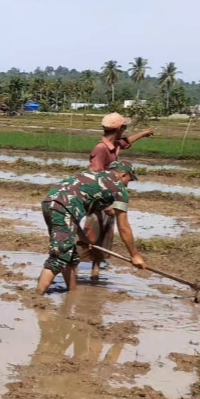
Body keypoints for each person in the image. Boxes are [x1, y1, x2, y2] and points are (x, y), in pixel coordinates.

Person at [36, 161, 147, 295]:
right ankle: (36, 298)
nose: (128, 184)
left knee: (70, 253)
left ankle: (72, 292)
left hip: (50, 203)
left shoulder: (92, 175)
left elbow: (73, 209)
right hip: (64, 208)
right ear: (123, 175)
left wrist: (84, 238)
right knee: (59, 256)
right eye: (129, 180)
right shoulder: (119, 189)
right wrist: (135, 255)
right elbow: (123, 227)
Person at [83, 113, 152, 281]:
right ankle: (74, 268)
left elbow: (126, 143)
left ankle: (95, 270)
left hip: (109, 195)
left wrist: (144, 133)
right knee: (92, 233)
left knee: (106, 233)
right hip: (99, 197)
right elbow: (96, 174)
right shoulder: (101, 149)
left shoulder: (114, 145)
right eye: (124, 127)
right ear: (119, 129)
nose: (125, 130)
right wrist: (105, 204)